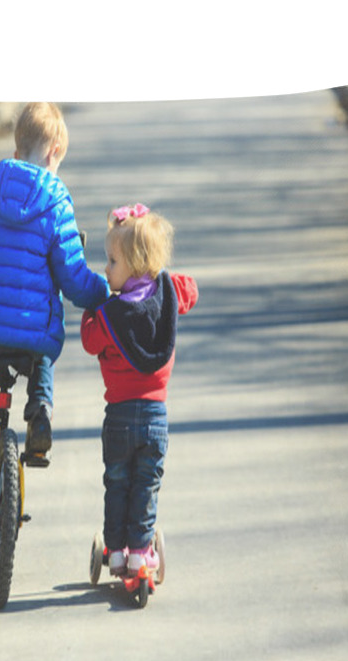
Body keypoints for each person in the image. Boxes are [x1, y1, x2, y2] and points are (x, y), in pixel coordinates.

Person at [0, 102, 110, 543]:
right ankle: (38, 412)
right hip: (29, 337)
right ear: (53, 151)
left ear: (19, 144)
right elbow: (72, 278)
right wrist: (104, 293)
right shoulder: (55, 201)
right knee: (44, 337)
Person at [81, 203, 198, 576]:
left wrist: (91, 308)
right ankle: (140, 552)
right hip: (154, 417)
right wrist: (164, 277)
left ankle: (115, 550)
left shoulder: (108, 316)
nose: (106, 268)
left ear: (133, 264)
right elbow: (190, 290)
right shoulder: (167, 295)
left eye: (112, 261)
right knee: (146, 484)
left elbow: (88, 340)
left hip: (117, 417)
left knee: (117, 482)